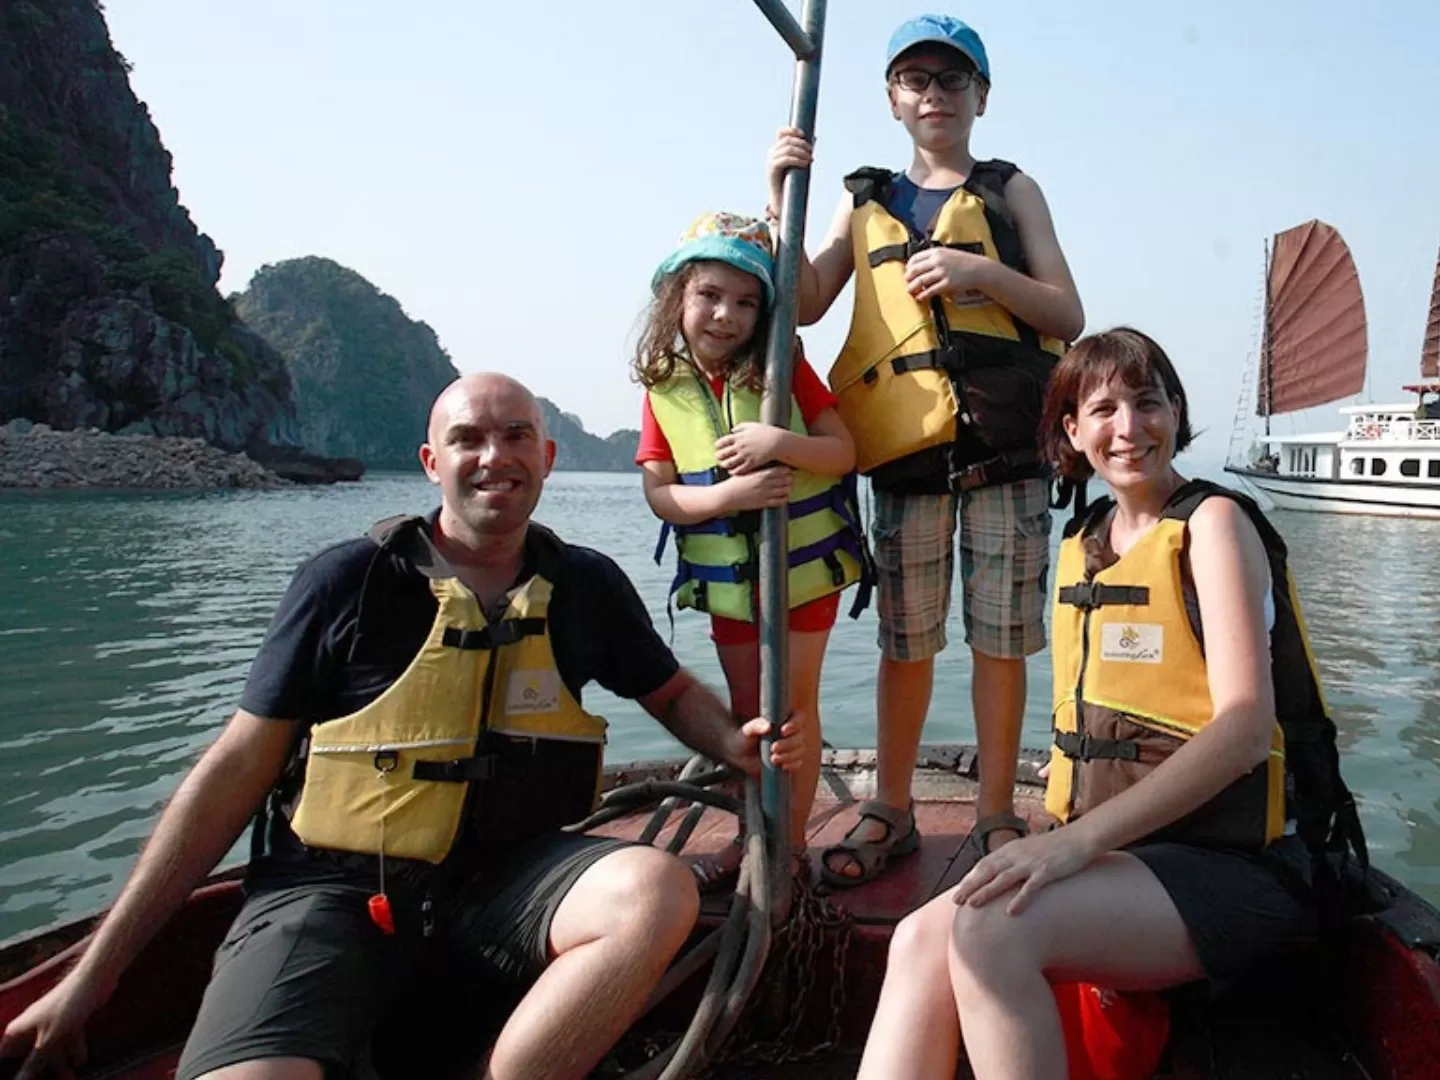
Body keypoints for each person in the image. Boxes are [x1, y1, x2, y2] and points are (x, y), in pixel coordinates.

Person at [0, 374, 809, 1080]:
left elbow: (670, 692)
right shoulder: (350, 582)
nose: (495, 456)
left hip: (507, 886)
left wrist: (732, 742)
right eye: (468, 439)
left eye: (516, 436)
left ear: (547, 457)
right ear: (431, 462)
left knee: (652, 889)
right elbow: (233, 771)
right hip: (331, 893)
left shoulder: (584, 584)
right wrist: (92, 979)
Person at [853, 328, 1365, 1080]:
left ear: (1176, 412)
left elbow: (1245, 730)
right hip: (1124, 856)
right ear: (1072, 431)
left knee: (990, 934)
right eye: (1103, 410)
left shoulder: (1213, 526)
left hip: (1234, 866)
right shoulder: (1087, 540)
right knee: (919, 939)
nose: (1129, 428)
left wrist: (1072, 845)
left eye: (1148, 403)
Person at [765, 13, 1086, 886]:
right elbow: (804, 300)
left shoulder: (1012, 190)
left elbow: (1067, 314)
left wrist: (983, 274)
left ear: (981, 96)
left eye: (952, 80)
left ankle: (995, 813)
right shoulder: (864, 197)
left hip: (1005, 455)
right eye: (916, 80)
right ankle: (893, 806)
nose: (934, 94)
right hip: (907, 462)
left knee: (1001, 642)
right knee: (904, 643)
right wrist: (780, 197)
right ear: (892, 99)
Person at [634, 211, 865, 860]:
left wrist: (778, 442)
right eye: (709, 295)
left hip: (804, 577)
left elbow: (842, 452)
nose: (725, 315)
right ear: (677, 297)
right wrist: (728, 497)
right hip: (731, 586)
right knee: (747, 714)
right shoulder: (663, 387)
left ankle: (786, 850)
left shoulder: (783, 367)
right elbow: (660, 493)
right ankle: (752, 836)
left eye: (745, 302)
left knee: (793, 713)